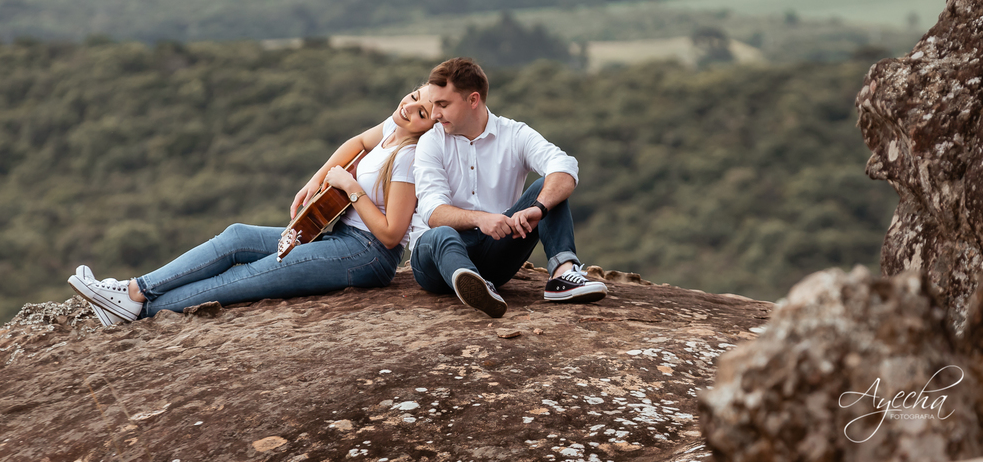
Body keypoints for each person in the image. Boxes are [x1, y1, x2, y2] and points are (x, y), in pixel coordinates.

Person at [69, 85, 436, 324]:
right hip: (338, 235)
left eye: (421, 112)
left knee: (248, 275)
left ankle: (138, 307)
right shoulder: (395, 126)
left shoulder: (409, 156)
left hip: (365, 255)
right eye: (414, 96)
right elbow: (357, 142)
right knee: (237, 237)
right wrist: (317, 178)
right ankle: (136, 288)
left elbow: (391, 236)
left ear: (430, 127)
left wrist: (350, 186)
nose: (410, 107)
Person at [408, 57, 607, 318]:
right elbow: (433, 212)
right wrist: (482, 219)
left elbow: (564, 165)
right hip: (435, 260)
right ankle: (469, 282)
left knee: (547, 190)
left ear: (473, 100)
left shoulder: (514, 134)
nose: (434, 114)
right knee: (440, 233)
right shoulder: (431, 143)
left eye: (443, 105)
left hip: (496, 251)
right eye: (433, 105)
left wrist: (538, 208)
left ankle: (562, 274)